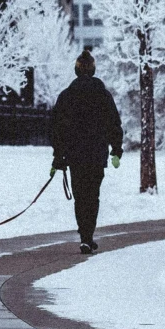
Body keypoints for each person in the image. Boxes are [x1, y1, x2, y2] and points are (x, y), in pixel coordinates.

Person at [49, 50, 124, 254]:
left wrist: (58, 155)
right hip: (97, 154)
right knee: (93, 196)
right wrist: (116, 149)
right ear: (93, 69)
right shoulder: (103, 95)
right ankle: (88, 236)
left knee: (80, 196)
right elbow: (113, 123)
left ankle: (84, 236)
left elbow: (57, 127)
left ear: (76, 70)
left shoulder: (66, 96)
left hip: (75, 155)